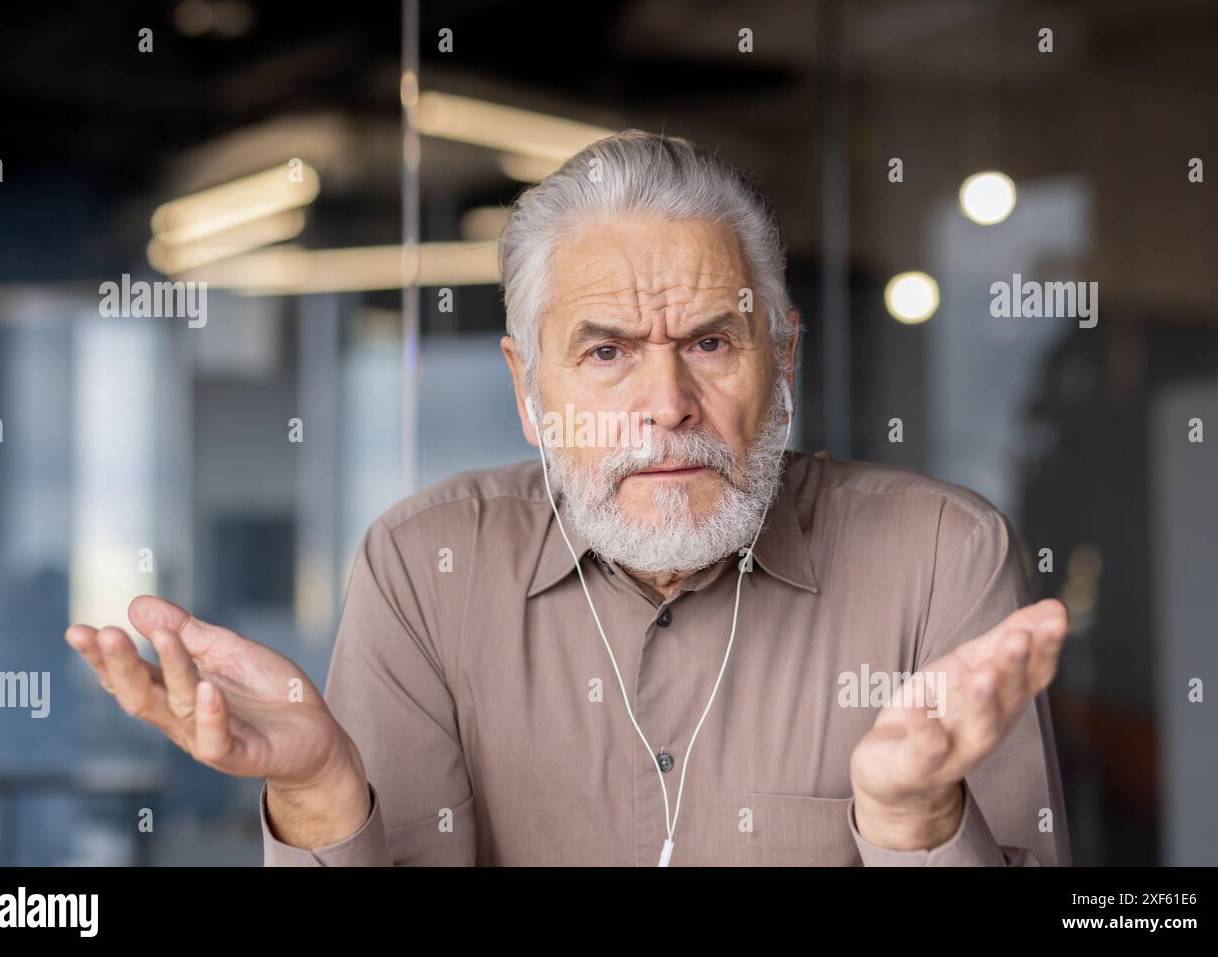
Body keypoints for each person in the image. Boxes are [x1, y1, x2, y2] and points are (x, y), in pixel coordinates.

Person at [66, 130, 1071, 866]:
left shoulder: (938, 554)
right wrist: (324, 796)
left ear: (785, 360)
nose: (666, 406)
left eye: (712, 343)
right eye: (606, 353)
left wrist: (913, 830)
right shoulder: (424, 569)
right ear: (527, 390)